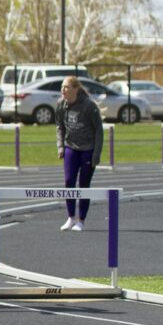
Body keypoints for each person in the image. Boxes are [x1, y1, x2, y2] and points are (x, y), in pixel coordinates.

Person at [55, 75, 103, 231]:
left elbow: (99, 131)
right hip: (71, 147)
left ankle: (81, 220)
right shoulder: (61, 104)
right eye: (62, 87)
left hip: (87, 149)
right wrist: (60, 147)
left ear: (75, 89)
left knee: (84, 185)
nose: (63, 90)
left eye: (66, 87)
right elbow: (60, 127)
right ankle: (71, 217)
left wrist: (96, 155)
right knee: (69, 182)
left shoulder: (89, 106)